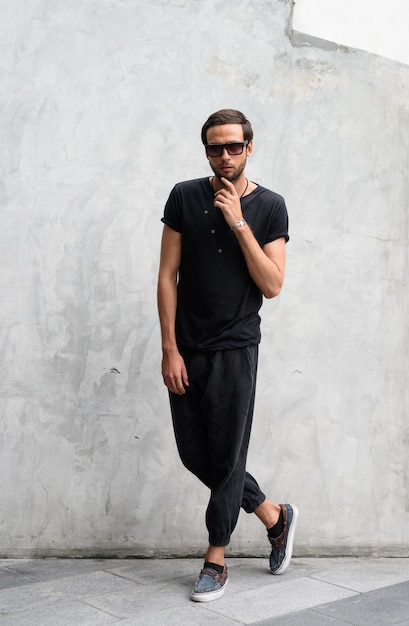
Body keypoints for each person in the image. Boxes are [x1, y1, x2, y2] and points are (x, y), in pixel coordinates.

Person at [157, 109, 298, 603]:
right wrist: (170, 347)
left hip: (237, 348)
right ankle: (274, 517)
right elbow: (166, 275)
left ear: (249, 148)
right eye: (215, 147)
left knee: (229, 453)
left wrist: (238, 221)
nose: (224, 156)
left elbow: (273, 284)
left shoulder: (271, 207)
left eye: (233, 147)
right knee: (199, 454)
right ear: (206, 151)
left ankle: (216, 559)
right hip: (187, 350)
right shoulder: (182, 196)